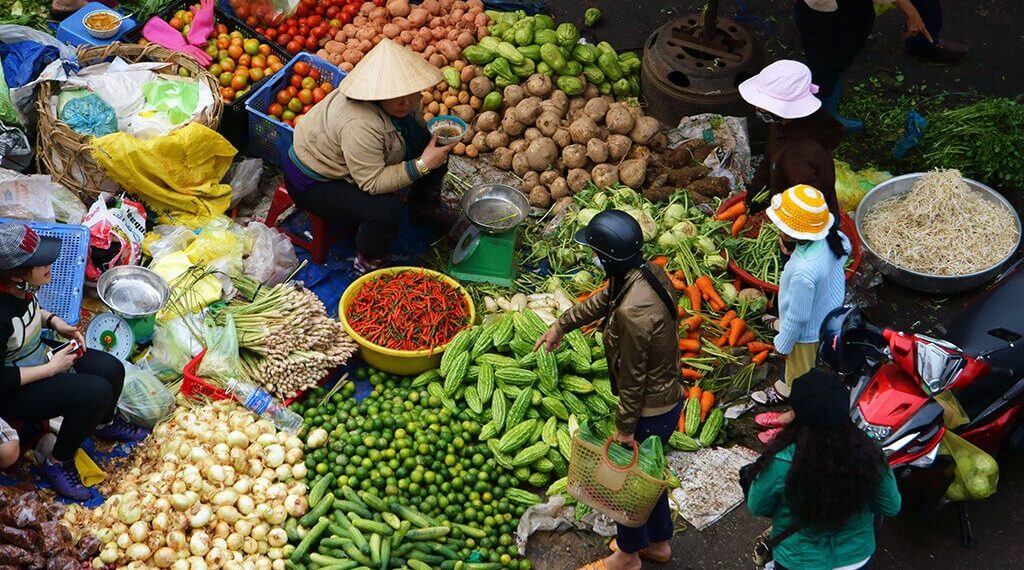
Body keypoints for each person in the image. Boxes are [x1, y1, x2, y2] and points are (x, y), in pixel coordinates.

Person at [535, 210, 683, 570]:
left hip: (650, 405)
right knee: (649, 476)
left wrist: (625, 429)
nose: (593, 259)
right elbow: (604, 301)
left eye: (596, 254)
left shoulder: (634, 313)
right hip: (667, 395)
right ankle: (659, 545)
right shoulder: (643, 274)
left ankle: (627, 556)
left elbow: (634, 379)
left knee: (627, 482)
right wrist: (561, 326)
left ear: (608, 258)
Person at [0, 223, 148, 500]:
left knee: (110, 368)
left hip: (39, 357)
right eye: (41, 262)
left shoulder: (20, 289)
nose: (49, 265)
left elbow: (32, 310)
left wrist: (56, 323)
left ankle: (104, 422)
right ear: (18, 275)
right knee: (95, 391)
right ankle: (57, 462)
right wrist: (50, 369)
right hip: (13, 390)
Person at [286, 38, 455, 274]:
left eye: (411, 92)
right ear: (377, 94)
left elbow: (413, 129)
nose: (406, 102)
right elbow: (371, 182)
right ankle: (367, 266)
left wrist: (429, 155)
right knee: (385, 211)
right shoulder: (360, 124)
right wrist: (422, 165)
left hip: (355, 162)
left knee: (435, 151)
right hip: (314, 181)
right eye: (397, 96)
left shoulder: (405, 101)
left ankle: (424, 212)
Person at [745, 369, 901, 570]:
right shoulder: (869, 452)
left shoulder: (782, 461)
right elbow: (891, 506)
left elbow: (757, 506)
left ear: (798, 415)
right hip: (856, 559)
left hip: (798, 561)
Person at [754, 185, 850, 441]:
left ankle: (792, 419)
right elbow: (847, 249)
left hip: (806, 332)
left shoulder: (804, 271)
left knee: (800, 375)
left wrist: (783, 344)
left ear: (792, 231)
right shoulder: (832, 238)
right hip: (828, 312)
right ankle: (790, 396)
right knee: (802, 363)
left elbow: (798, 316)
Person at [794, 0, 941, 131]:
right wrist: (910, 11)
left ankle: (826, 98)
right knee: (826, 62)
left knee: (836, 60)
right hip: (827, 14)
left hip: (849, 9)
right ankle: (823, 117)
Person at [738, 60, 844, 227]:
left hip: (809, 223)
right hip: (783, 198)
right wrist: (754, 195)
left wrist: (788, 240)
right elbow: (769, 159)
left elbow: (807, 210)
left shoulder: (801, 155)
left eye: (763, 107)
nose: (758, 109)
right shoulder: (782, 123)